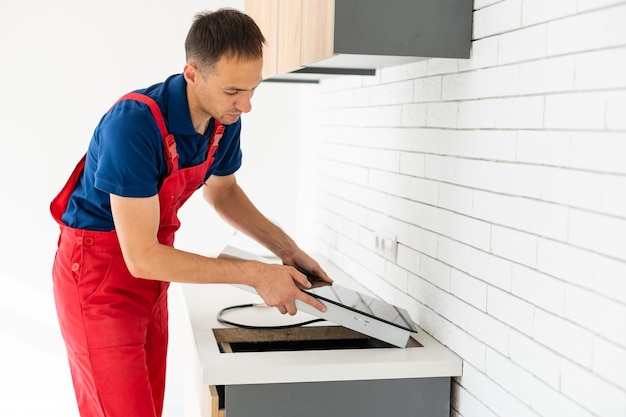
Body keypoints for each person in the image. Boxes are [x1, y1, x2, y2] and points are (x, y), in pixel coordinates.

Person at [50, 8, 332, 417]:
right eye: (235, 90)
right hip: (98, 280)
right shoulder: (133, 126)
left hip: (153, 277)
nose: (246, 105)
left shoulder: (223, 119)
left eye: (253, 88)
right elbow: (141, 256)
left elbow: (224, 193)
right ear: (193, 74)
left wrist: (286, 251)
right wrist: (256, 275)